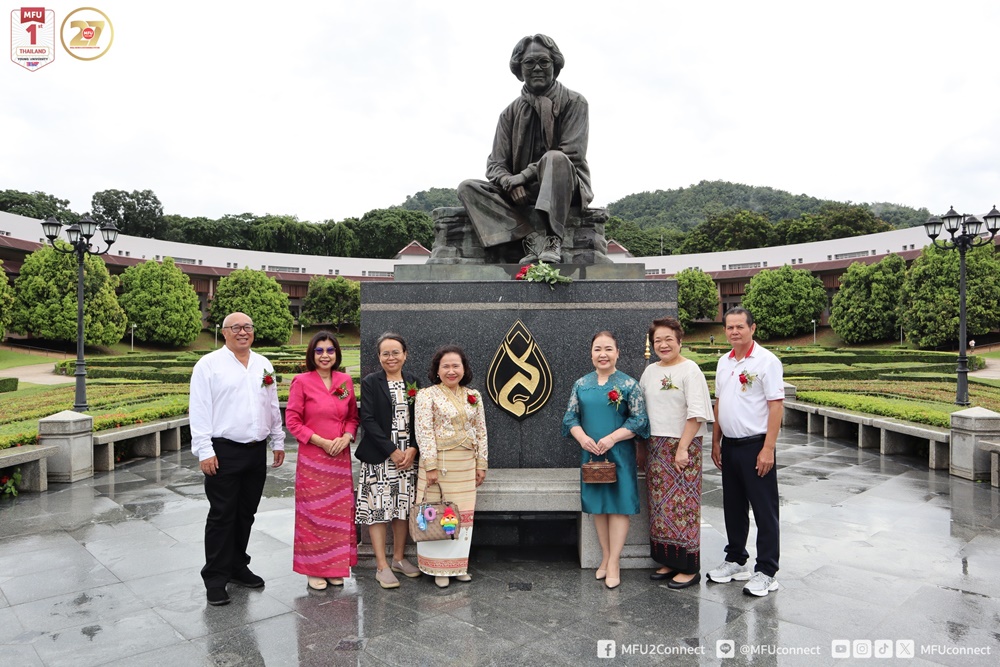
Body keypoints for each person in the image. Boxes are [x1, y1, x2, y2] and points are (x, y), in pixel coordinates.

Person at [458, 33, 592, 264]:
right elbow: (495, 164)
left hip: (564, 185)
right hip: (520, 191)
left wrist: (523, 176)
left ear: (555, 65)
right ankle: (528, 237)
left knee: (556, 158)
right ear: (519, 69)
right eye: (529, 63)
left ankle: (553, 239)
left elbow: (573, 153)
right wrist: (509, 182)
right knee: (467, 187)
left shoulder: (574, 102)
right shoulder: (509, 114)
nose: (537, 68)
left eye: (544, 62)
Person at [189, 312, 285, 607]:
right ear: (224, 332)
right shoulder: (208, 365)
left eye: (247, 327)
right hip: (223, 451)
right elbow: (199, 408)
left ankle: (237, 566)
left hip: (255, 451)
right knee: (222, 515)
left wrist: (277, 439)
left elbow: (272, 405)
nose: (243, 332)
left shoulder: (263, 364)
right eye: (236, 328)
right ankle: (215, 578)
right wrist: (205, 450)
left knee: (246, 513)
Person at [563, 331, 649, 590]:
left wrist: (613, 438)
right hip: (591, 454)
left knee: (619, 506)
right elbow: (570, 417)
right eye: (598, 349)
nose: (603, 354)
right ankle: (605, 556)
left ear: (617, 353)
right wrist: (582, 438)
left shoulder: (628, 384)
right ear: (591, 353)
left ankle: (614, 563)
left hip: (619, 453)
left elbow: (639, 420)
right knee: (599, 506)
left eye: (608, 349)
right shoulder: (581, 384)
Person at [708, 307, 784, 597]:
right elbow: (719, 403)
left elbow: (776, 405)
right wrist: (715, 441)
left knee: (765, 510)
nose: (734, 332)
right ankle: (736, 559)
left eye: (740, 326)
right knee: (733, 506)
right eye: (730, 327)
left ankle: (767, 570)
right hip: (730, 445)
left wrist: (768, 448)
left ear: (752, 328)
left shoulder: (767, 361)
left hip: (756, 445)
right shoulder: (723, 362)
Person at [638, 317, 713, 590]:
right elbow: (642, 413)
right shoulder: (650, 372)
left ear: (680, 340)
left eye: (668, 339)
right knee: (660, 509)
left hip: (682, 447)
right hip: (655, 448)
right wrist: (641, 448)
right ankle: (669, 560)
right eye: (658, 340)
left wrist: (682, 448)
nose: (663, 344)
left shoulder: (690, 370)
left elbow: (696, 413)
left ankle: (689, 568)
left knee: (684, 508)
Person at [285, 333, 359, 591]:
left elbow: (352, 417)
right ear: (312, 354)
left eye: (330, 350)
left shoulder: (344, 381)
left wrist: (347, 436)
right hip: (313, 460)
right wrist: (321, 441)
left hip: (339, 460)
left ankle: (335, 568)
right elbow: (292, 421)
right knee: (314, 515)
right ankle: (314, 570)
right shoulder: (301, 381)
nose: (325, 355)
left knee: (337, 515)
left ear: (336, 353)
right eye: (319, 351)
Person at [414, 345, 488, 588]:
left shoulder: (473, 396)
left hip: (465, 466)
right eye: (445, 366)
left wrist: (481, 463)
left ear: (464, 369)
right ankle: (438, 568)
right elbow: (423, 431)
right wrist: (430, 465)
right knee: (437, 514)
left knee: (461, 517)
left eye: (456, 365)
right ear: (437, 370)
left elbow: (481, 430)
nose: (451, 370)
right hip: (439, 467)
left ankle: (457, 566)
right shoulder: (427, 395)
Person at [354, 333, 423, 589]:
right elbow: (368, 420)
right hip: (380, 457)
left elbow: (420, 418)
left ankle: (399, 559)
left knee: (402, 507)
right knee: (378, 510)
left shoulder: (413, 382)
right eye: (386, 353)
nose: (391, 357)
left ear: (405, 355)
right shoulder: (371, 382)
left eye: (396, 352)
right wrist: (392, 450)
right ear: (379, 357)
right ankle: (382, 565)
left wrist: (413, 448)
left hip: (407, 458)